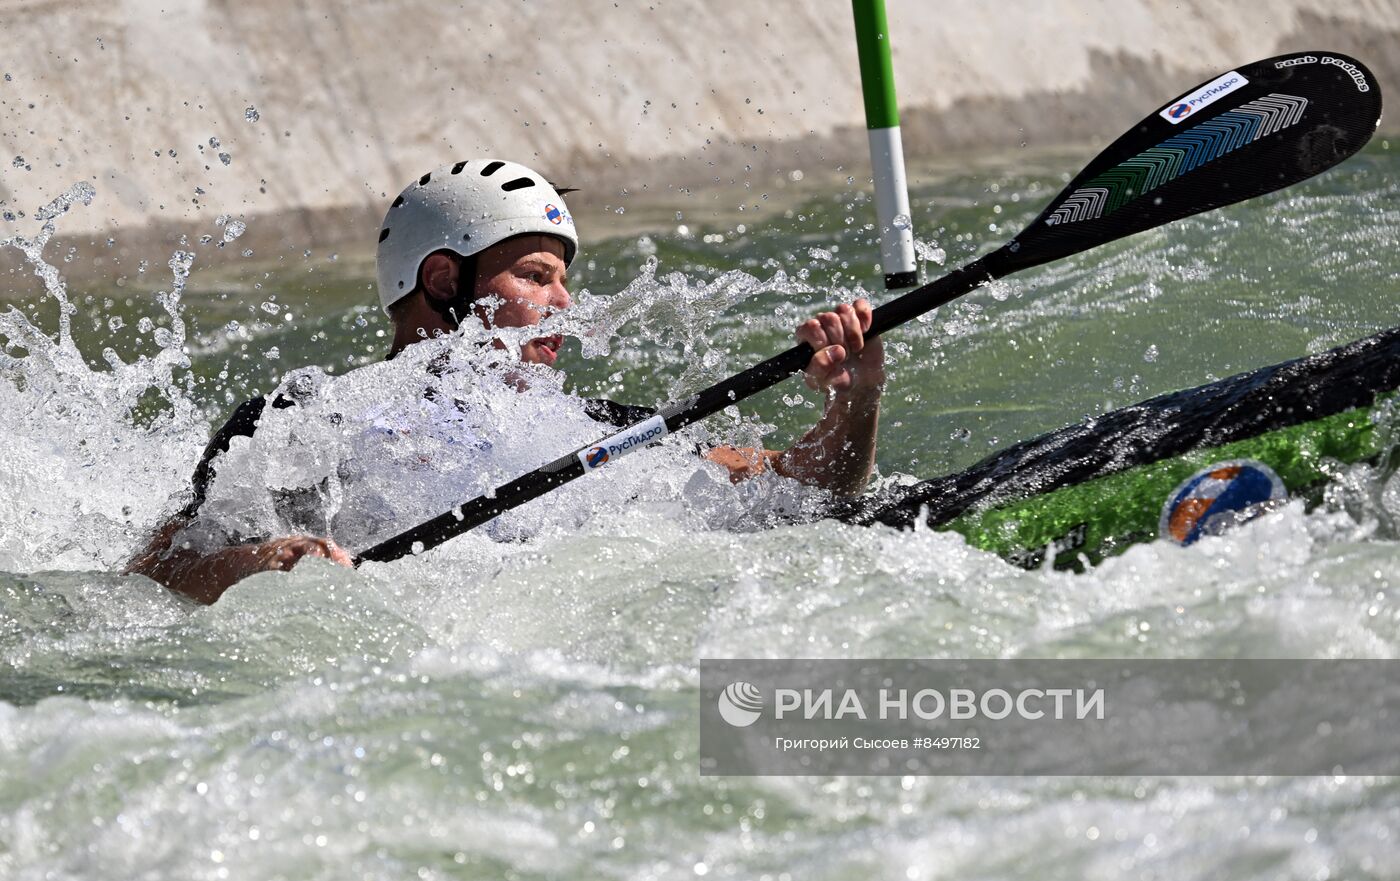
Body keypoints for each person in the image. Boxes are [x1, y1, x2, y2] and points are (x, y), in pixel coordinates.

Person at [126, 159, 884, 602]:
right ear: (444, 279)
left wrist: (856, 400)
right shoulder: (304, 417)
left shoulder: (597, 428)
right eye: (535, 276)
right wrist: (264, 563)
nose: (566, 304)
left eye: (563, 280)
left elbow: (808, 490)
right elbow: (156, 573)